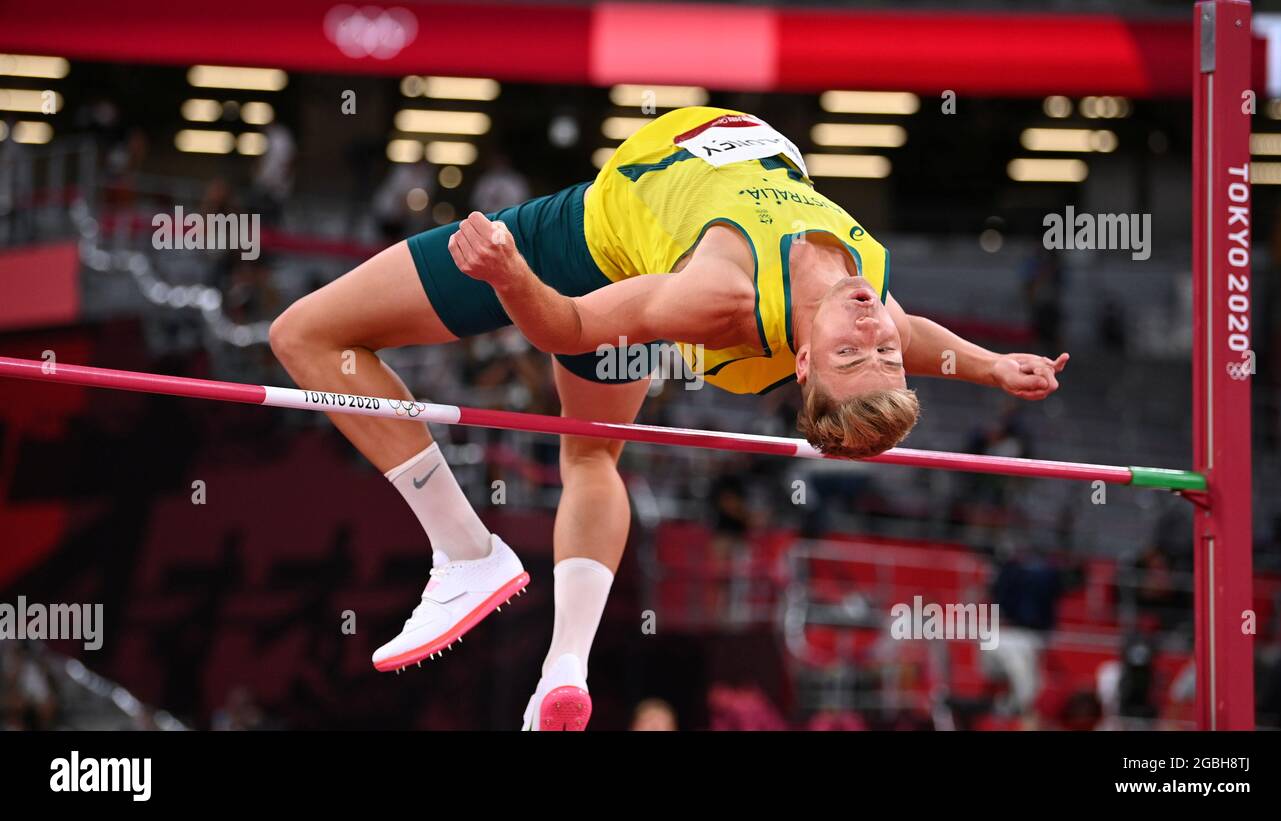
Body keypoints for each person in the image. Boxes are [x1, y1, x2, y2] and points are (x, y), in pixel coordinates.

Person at [269, 106, 1068, 730]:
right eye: (881, 351)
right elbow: (914, 335)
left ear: (802, 363)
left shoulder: (719, 292)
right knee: (592, 458)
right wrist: (993, 365)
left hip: (578, 253)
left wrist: (513, 277)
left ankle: (463, 548)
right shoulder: (865, 295)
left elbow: (575, 327)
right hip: (658, 243)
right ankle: (564, 669)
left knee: (304, 333)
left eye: (856, 356)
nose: (875, 333)